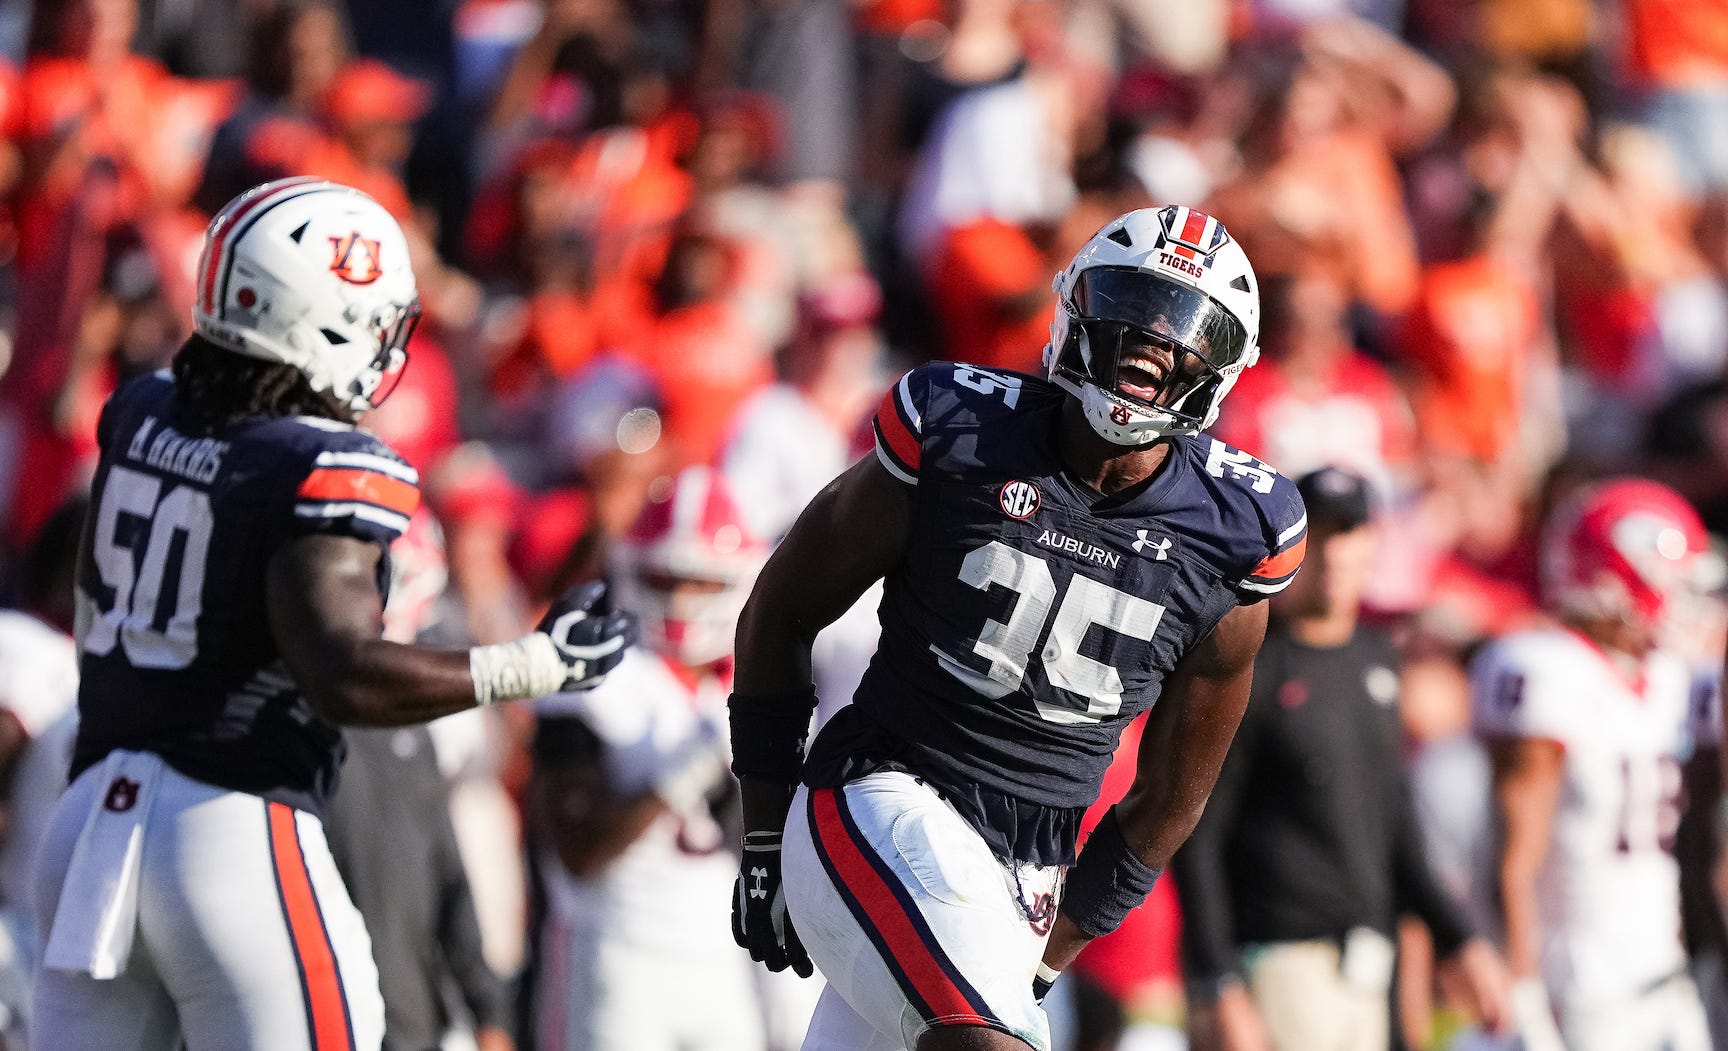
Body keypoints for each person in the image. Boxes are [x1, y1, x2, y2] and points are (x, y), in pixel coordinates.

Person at [31, 177, 636, 1051]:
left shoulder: (142, 411)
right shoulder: (325, 462)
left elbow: (94, 601)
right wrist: (536, 663)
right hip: (231, 829)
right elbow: (343, 669)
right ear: (325, 320)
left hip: (91, 821)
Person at [728, 204, 1308, 1051]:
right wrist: (765, 833)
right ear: (1074, 304)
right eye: (1133, 306)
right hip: (879, 793)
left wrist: (1042, 956)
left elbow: (1169, 799)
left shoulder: (1235, 530)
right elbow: (781, 610)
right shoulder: (961, 428)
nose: (1153, 342)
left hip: (1027, 874)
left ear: (1225, 366)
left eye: (1187, 328)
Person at [1172, 466, 1509, 1051]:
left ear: (1372, 542)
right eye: (1319, 534)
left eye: (1349, 532)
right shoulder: (1244, 665)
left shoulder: (1376, 659)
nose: (1335, 552)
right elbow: (1194, 834)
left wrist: (1461, 941)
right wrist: (1216, 983)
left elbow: (1395, 823)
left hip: (1373, 961)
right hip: (1280, 963)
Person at [528, 466, 767, 1051]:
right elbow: (580, 851)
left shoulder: (755, 681)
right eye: (665, 575)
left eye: (702, 581)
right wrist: (688, 769)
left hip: (722, 959)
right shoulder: (595, 677)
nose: (682, 598)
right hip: (615, 946)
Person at [1472, 478, 1716, 1051]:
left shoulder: (1665, 680)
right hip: (1580, 985)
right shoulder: (1549, 670)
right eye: (1672, 582)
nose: (1683, 601)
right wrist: (1524, 990)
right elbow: (1512, 860)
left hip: (1662, 972)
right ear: (1612, 578)